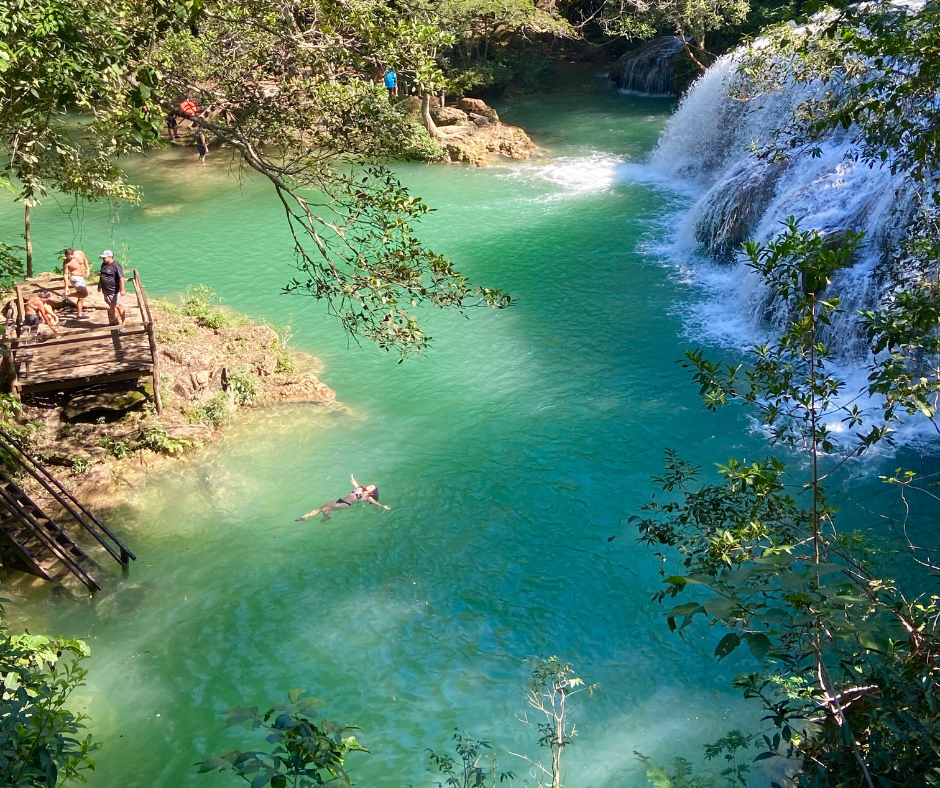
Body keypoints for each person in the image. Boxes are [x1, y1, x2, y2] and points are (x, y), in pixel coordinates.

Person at [296, 474, 391, 521]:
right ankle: (304, 517)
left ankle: (326, 518)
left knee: (326, 508)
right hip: (340, 500)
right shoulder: (360, 488)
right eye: (370, 485)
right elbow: (354, 483)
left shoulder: (367, 496)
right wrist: (352, 477)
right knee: (320, 508)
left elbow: (375, 503)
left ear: (372, 492)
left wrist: (383, 506)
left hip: (346, 504)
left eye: (372, 487)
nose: (370, 486)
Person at [98, 251, 127, 332]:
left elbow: (121, 278)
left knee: (119, 306)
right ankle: (115, 320)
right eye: (103, 257)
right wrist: (99, 286)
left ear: (110, 257)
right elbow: (102, 276)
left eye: (105, 257)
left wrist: (122, 289)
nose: (103, 258)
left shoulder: (115, 265)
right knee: (111, 305)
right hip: (105, 290)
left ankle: (124, 323)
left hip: (114, 291)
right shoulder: (103, 264)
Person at [62, 248, 91, 319]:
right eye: (67, 257)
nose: (69, 259)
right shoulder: (66, 262)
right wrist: (66, 286)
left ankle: (79, 314)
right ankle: (68, 295)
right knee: (85, 294)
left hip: (81, 277)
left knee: (81, 297)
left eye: (70, 257)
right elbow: (65, 274)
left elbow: (85, 259)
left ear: (73, 253)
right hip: (75, 278)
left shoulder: (80, 253)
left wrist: (87, 269)